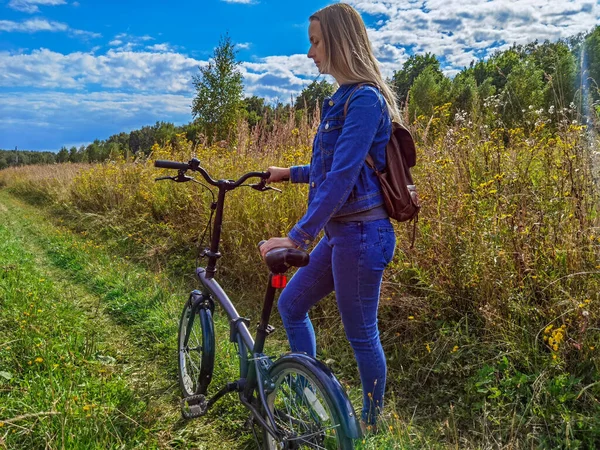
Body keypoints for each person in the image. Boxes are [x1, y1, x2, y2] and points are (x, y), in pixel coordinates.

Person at [259, 3, 399, 431]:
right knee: (291, 303)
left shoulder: (365, 101)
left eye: (316, 41)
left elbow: (341, 178)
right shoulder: (338, 100)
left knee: (361, 335)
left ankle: (370, 427)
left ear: (338, 41)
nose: (309, 52)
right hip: (343, 234)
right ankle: (306, 391)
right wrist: (289, 173)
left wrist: (297, 237)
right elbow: (329, 169)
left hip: (362, 235)